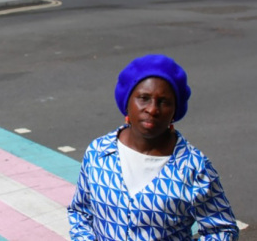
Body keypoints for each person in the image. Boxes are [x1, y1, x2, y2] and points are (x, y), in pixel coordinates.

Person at [67, 54, 239, 240]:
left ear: (175, 110)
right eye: (143, 98)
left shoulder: (193, 168)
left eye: (164, 102)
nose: (152, 109)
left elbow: (222, 230)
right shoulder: (99, 153)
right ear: (127, 102)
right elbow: (80, 212)